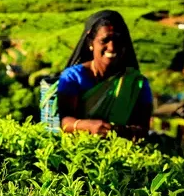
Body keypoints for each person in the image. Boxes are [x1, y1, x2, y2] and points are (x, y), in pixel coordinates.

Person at [56, 10, 153, 139]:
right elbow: (65, 122)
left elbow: (143, 128)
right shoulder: (73, 77)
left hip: (121, 148)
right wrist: (88, 126)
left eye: (118, 40)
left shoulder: (136, 83)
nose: (112, 47)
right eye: (104, 40)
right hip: (78, 147)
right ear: (91, 43)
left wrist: (119, 131)